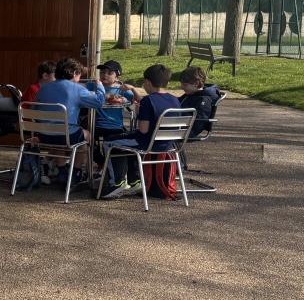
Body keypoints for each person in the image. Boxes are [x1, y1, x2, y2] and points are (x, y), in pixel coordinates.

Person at [99, 64, 180, 198]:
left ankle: (117, 183)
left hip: (147, 143)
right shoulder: (175, 100)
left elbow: (143, 130)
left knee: (109, 142)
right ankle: (134, 180)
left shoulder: (148, 101)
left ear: (147, 82)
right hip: (169, 145)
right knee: (123, 141)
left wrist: (139, 114)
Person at [35, 57, 107, 146]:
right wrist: (99, 85)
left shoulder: (43, 88)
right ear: (74, 73)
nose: (80, 78)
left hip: (44, 135)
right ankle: (81, 160)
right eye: (80, 74)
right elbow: (99, 102)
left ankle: (59, 160)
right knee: (87, 135)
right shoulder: (77, 89)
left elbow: (35, 111)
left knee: (58, 137)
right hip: (67, 136)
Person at [91, 60, 138, 193]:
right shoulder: (94, 86)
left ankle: (128, 178)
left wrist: (131, 91)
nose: (104, 75)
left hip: (115, 125)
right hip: (96, 124)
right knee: (87, 141)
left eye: (109, 73)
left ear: (117, 76)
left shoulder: (121, 89)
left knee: (123, 143)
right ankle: (102, 163)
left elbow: (136, 101)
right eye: (102, 72)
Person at [177, 66, 220, 138]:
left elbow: (200, 121)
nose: (182, 87)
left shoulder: (203, 100)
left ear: (196, 84)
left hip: (186, 131)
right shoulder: (190, 94)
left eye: (185, 85)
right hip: (179, 126)